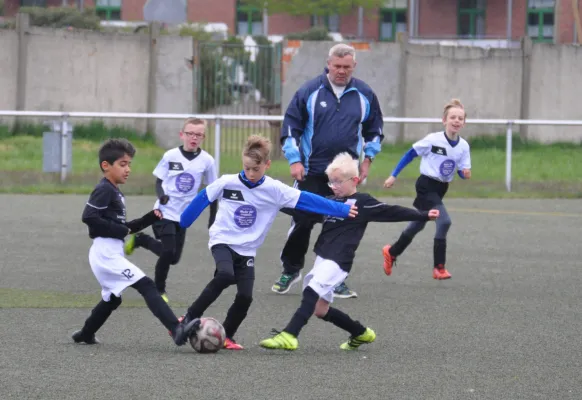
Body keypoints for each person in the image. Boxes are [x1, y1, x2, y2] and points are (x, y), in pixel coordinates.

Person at [177, 135, 358, 350]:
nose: (251, 174)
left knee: (245, 297)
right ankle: (188, 317)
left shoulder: (275, 190)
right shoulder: (227, 182)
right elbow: (202, 198)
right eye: (247, 168)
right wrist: (184, 221)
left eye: (256, 168)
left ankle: (227, 336)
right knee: (225, 274)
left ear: (267, 165)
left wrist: (341, 209)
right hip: (222, 240)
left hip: (247, 250)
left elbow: (307, 199)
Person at [259, 153, 439, 351]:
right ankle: (361, 333)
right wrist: (271, 202)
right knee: (320, 309)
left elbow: (392, 211)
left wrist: (423, 215)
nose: (333, 186)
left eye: (338, 182)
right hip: (323, 259)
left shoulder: (363, 202)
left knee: (311, 291)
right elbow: (301, 208)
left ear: (354, 180)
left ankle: (290, 335)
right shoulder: (329, 202)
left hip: (338, 261)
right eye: (330, 182)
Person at [273, 43, 384, 299]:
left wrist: (368, 160)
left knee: (341, 228)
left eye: (347, 67)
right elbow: (291, 128)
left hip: (345, 177)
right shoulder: (309, 91)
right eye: (337, 66)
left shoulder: (364, 94)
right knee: (302, 223)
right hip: (311, 172)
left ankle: (334, 279)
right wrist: (294, 160)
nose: (341, 71)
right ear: (328, 64)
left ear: (353, 66)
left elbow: (374, 130)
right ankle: (291, 269)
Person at [71, 138, 200, 346]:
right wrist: (121, 229)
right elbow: (90, 217)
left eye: (129, 164)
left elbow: (125, 227)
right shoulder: (104, 189)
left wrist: (150, 218)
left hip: (109, 251)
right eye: (123, 164)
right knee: (147, 285)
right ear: (106, 165)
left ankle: (86, 333)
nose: (128, 169)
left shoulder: (115, 192)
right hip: (105, 253)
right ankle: (176, 328)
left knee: (113, 298)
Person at [124, 118, 217, 303]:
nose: (194, 138)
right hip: (163, 212)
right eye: (190, 133)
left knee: (173, 258)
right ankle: (159, 291)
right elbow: (159, 181)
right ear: (182, 135)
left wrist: (212, 218)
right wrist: (161, 196)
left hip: (183, 216)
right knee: (167, 252)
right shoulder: (170, 156)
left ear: (203, 137)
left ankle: (141, 239)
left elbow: (212, 191)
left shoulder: (207, 161)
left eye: (198, 135)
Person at [382, 99, 472, 280]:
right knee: (444, 221)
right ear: (444, 120)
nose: (456, 121)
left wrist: (464, 173)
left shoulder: (463, 146)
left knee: (419, 222)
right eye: (452, 117)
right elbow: (410, 154)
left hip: (441, 188)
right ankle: (439, 267)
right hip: (425, 185)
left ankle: (392, 252)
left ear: (464, 122)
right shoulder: (433, 140)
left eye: (460, 118)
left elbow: (462, 171)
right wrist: (394, 175)